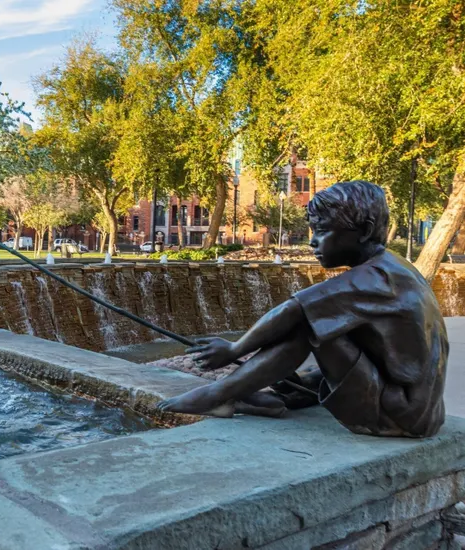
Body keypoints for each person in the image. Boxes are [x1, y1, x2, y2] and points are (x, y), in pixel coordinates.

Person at [159, 180, 447, 438]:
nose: (312, 241)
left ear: (365, 231)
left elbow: (294, 309)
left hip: (400, 415)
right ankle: (293, 394)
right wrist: (306, 381)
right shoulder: (394, 267)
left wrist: (234, 350)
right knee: (332, 323)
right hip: (418, 408)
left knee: (310, 325)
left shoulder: (374, 278)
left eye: (322, 231)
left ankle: (217, 396)